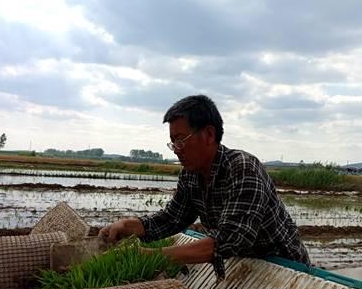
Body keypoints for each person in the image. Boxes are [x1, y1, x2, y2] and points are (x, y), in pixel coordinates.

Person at [99, 95, 310, 278]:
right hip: (248, 264)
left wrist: (151, 256)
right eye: (173, 142)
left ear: (209, 135)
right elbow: (172, 218)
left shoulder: (243, 169)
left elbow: (231, 241)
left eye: (181, 140)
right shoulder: (191, 175)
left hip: (288, 269)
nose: (176, 150)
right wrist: (128, 226)